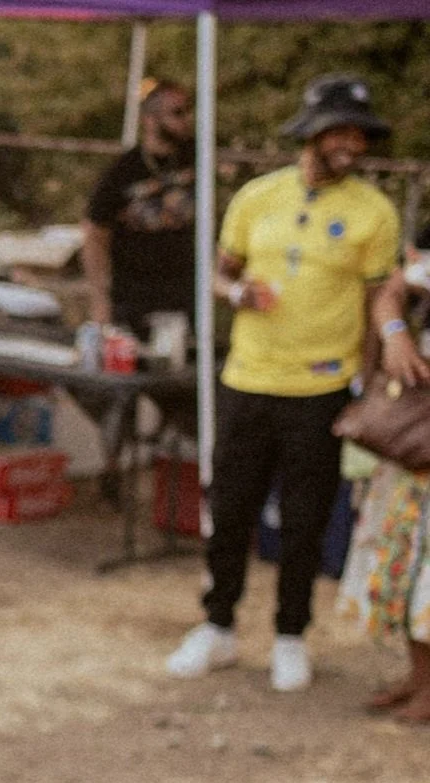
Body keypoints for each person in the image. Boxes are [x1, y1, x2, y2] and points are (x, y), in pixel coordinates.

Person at [167, 73, 400, 694]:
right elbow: (219, 276)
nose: (352, 142)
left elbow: (379, 305)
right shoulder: (257, 197)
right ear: (312, 134)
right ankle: (217, 626)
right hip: (247, 377)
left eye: (360, 132)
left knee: (304, 521)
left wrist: (369, 382)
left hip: (322, 389)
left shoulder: (374, 212)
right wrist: (238, 292)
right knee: (232, 508)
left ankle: (290, 635)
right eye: (340, 130)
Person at [337, 244, 430, 720]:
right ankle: (420, 675)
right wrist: (395, 336)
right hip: (420, 425)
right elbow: (389, 294)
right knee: (406, 551)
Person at [82, 80, 196, 345]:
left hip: (184, 292)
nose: (186, 119)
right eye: (176, 112)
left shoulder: (196, 157)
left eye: (187, 111)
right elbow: (94, 231)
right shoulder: (125, 170)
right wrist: (100, 300)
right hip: (135, 296)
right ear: (150, 119)